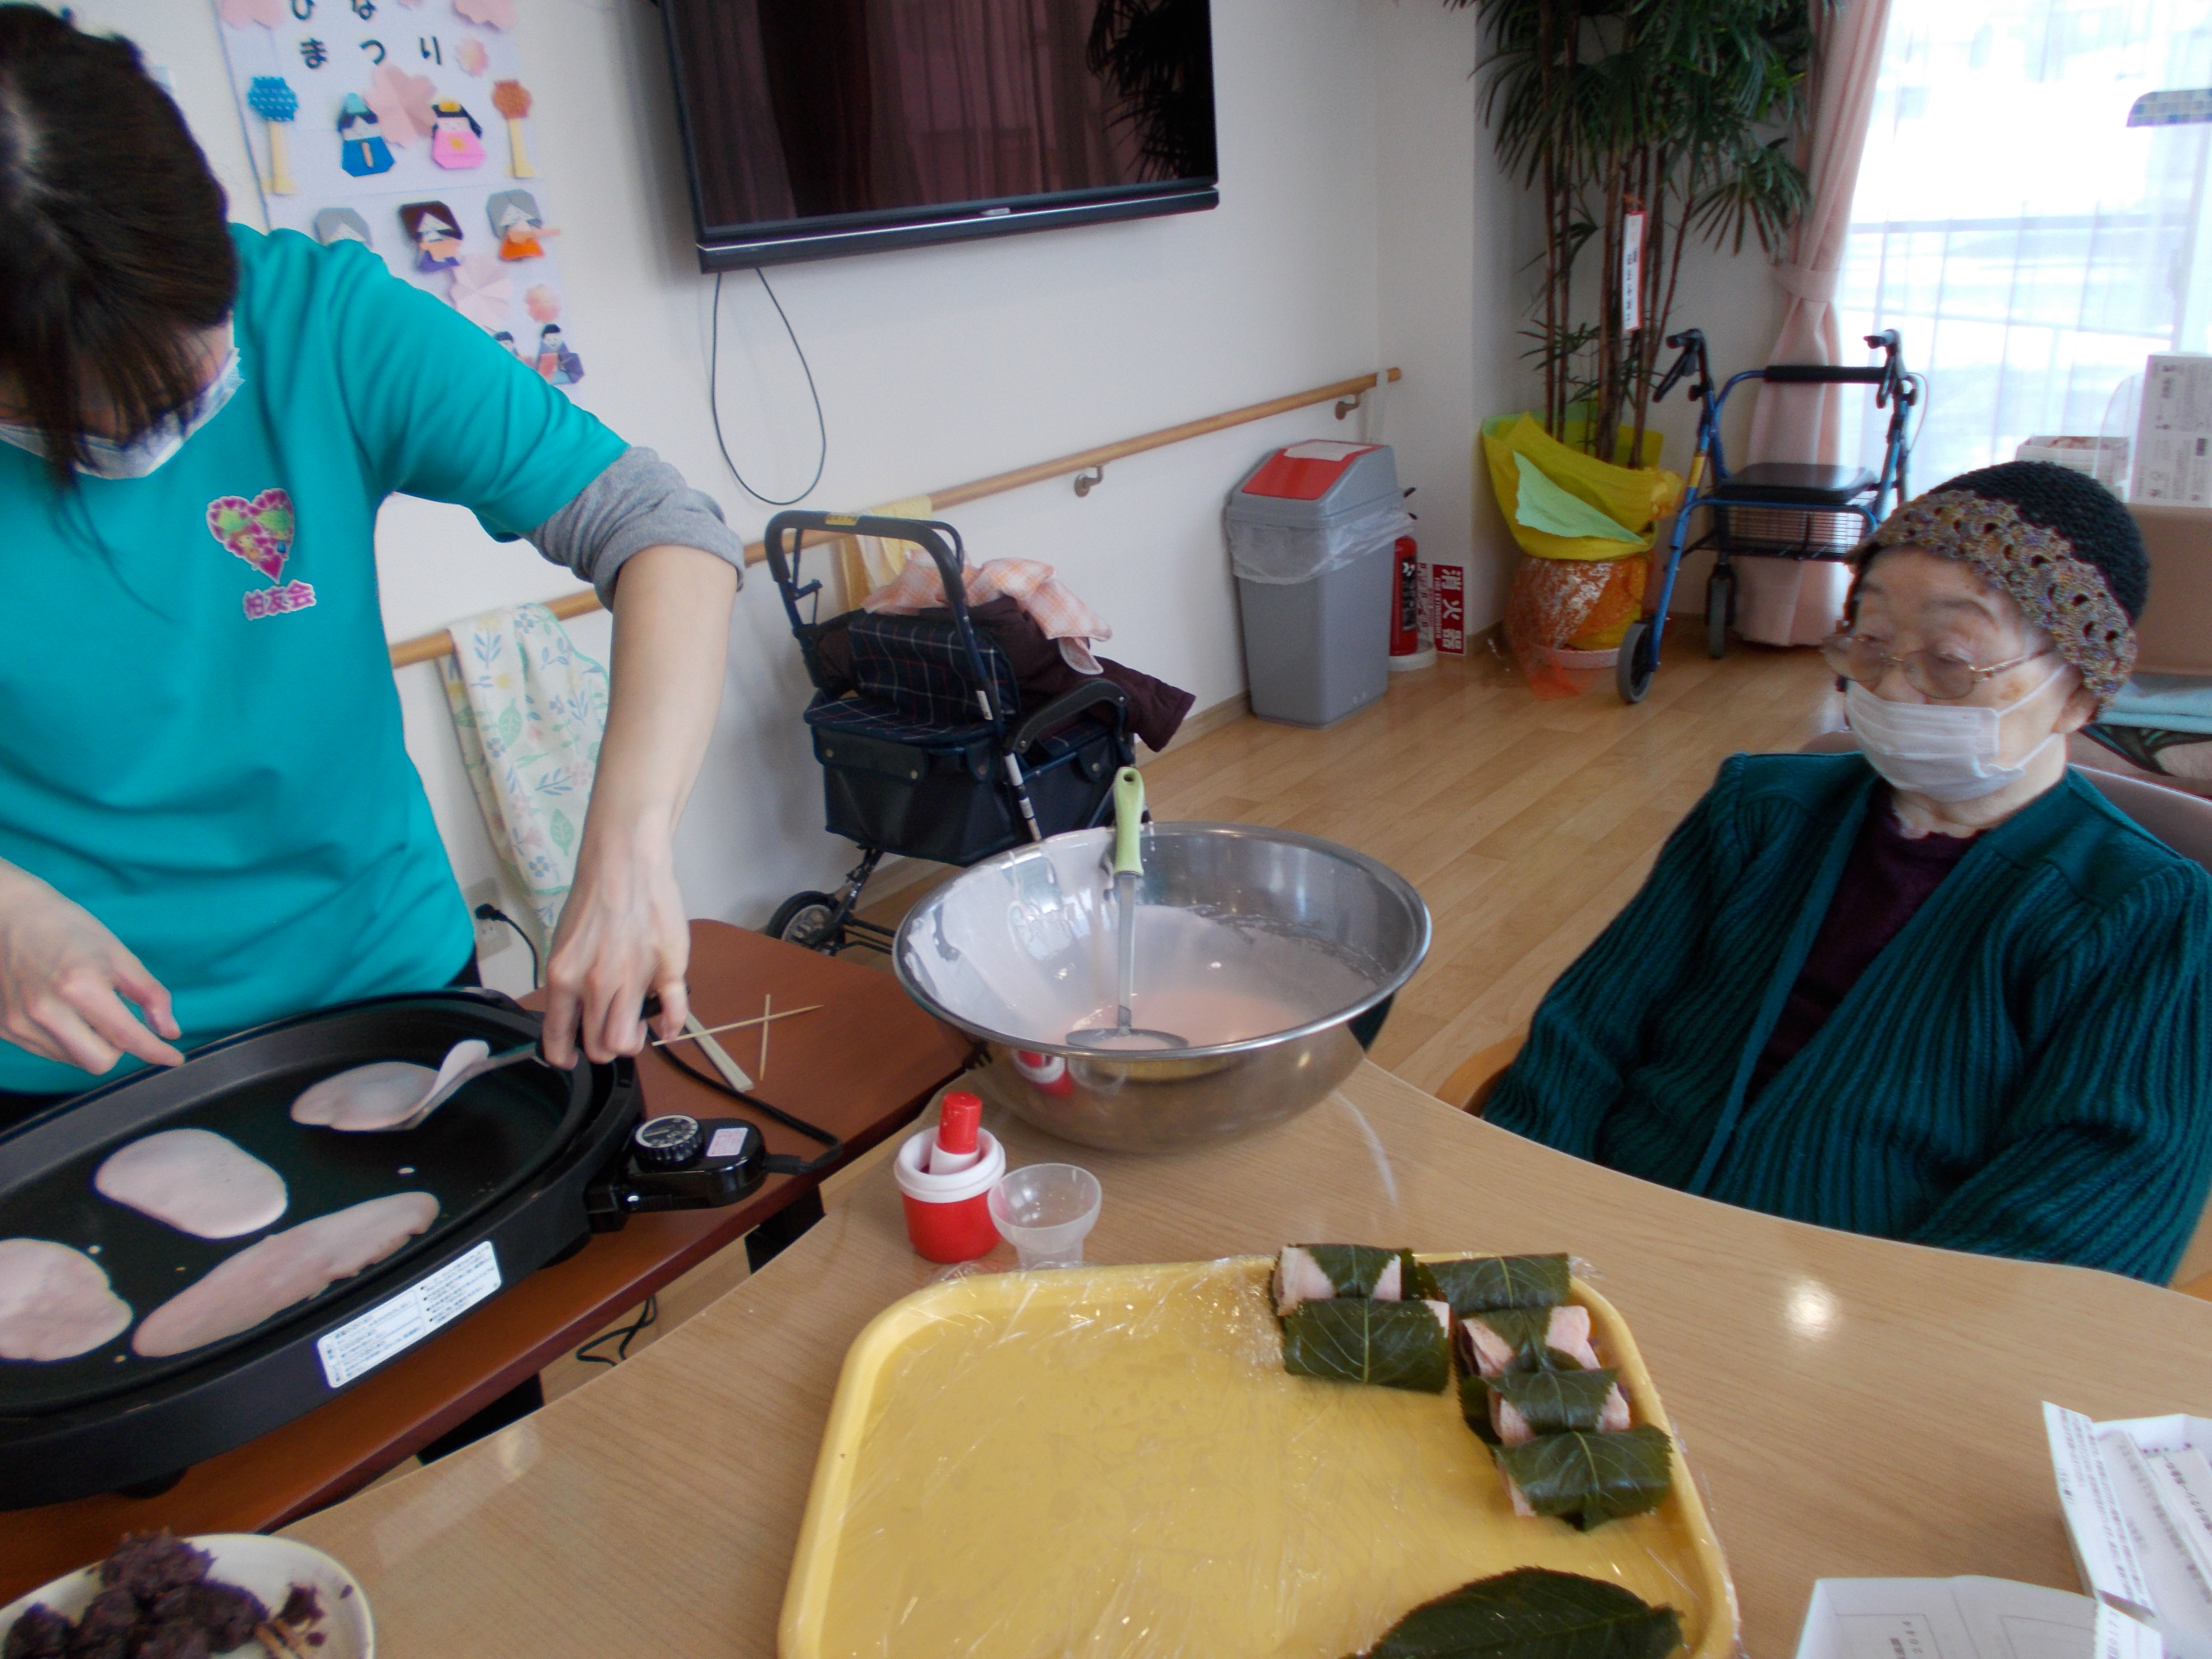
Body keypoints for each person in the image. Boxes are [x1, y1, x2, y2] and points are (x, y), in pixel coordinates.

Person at [0, 9, 746, 1119]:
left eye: (198, 364)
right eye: (116, 410)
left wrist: (629, 853)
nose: (179, 422)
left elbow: (662, 531)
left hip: (389, 981)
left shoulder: (323, 320)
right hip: (66, 1055)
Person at [1485, 461, 2212, 1283]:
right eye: (1869, 642)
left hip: (1860, 1310)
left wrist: (1879, 1330)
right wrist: (1518, 1234)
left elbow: (2093, 1202)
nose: (1895, 686)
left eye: (1950, 658)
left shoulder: (2144, 911)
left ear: (2079, 692)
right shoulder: (1759, 811)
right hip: (1602, 1242)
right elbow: (1588, 1029)